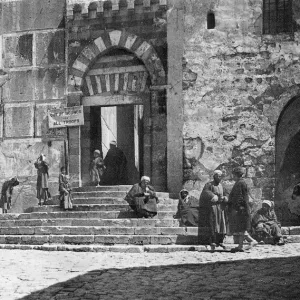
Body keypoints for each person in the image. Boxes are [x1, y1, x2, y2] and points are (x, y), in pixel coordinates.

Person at [228, 166, 258, 252]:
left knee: (241, 228)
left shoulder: (240, 183)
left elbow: (240, 197)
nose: (232, 176)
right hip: (242, 208)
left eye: (233, 174)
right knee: (242, 229)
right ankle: (241, 246)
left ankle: (251, 242)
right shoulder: (241, 182)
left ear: (235, 175)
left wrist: (238, 207)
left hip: (241, 209)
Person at [199, 170, 229, 250]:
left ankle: (220, 240)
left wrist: (225, 198)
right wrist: (212, 196)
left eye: (220, 176)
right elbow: (205, 192)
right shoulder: (209, 185)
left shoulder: (222, 186)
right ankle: (213, 241)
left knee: (222, 224)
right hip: (213, 207)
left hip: (221, 208)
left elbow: (226, 194)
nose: (219, 178)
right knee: (214, 224)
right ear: (214, 176)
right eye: (218, 176)